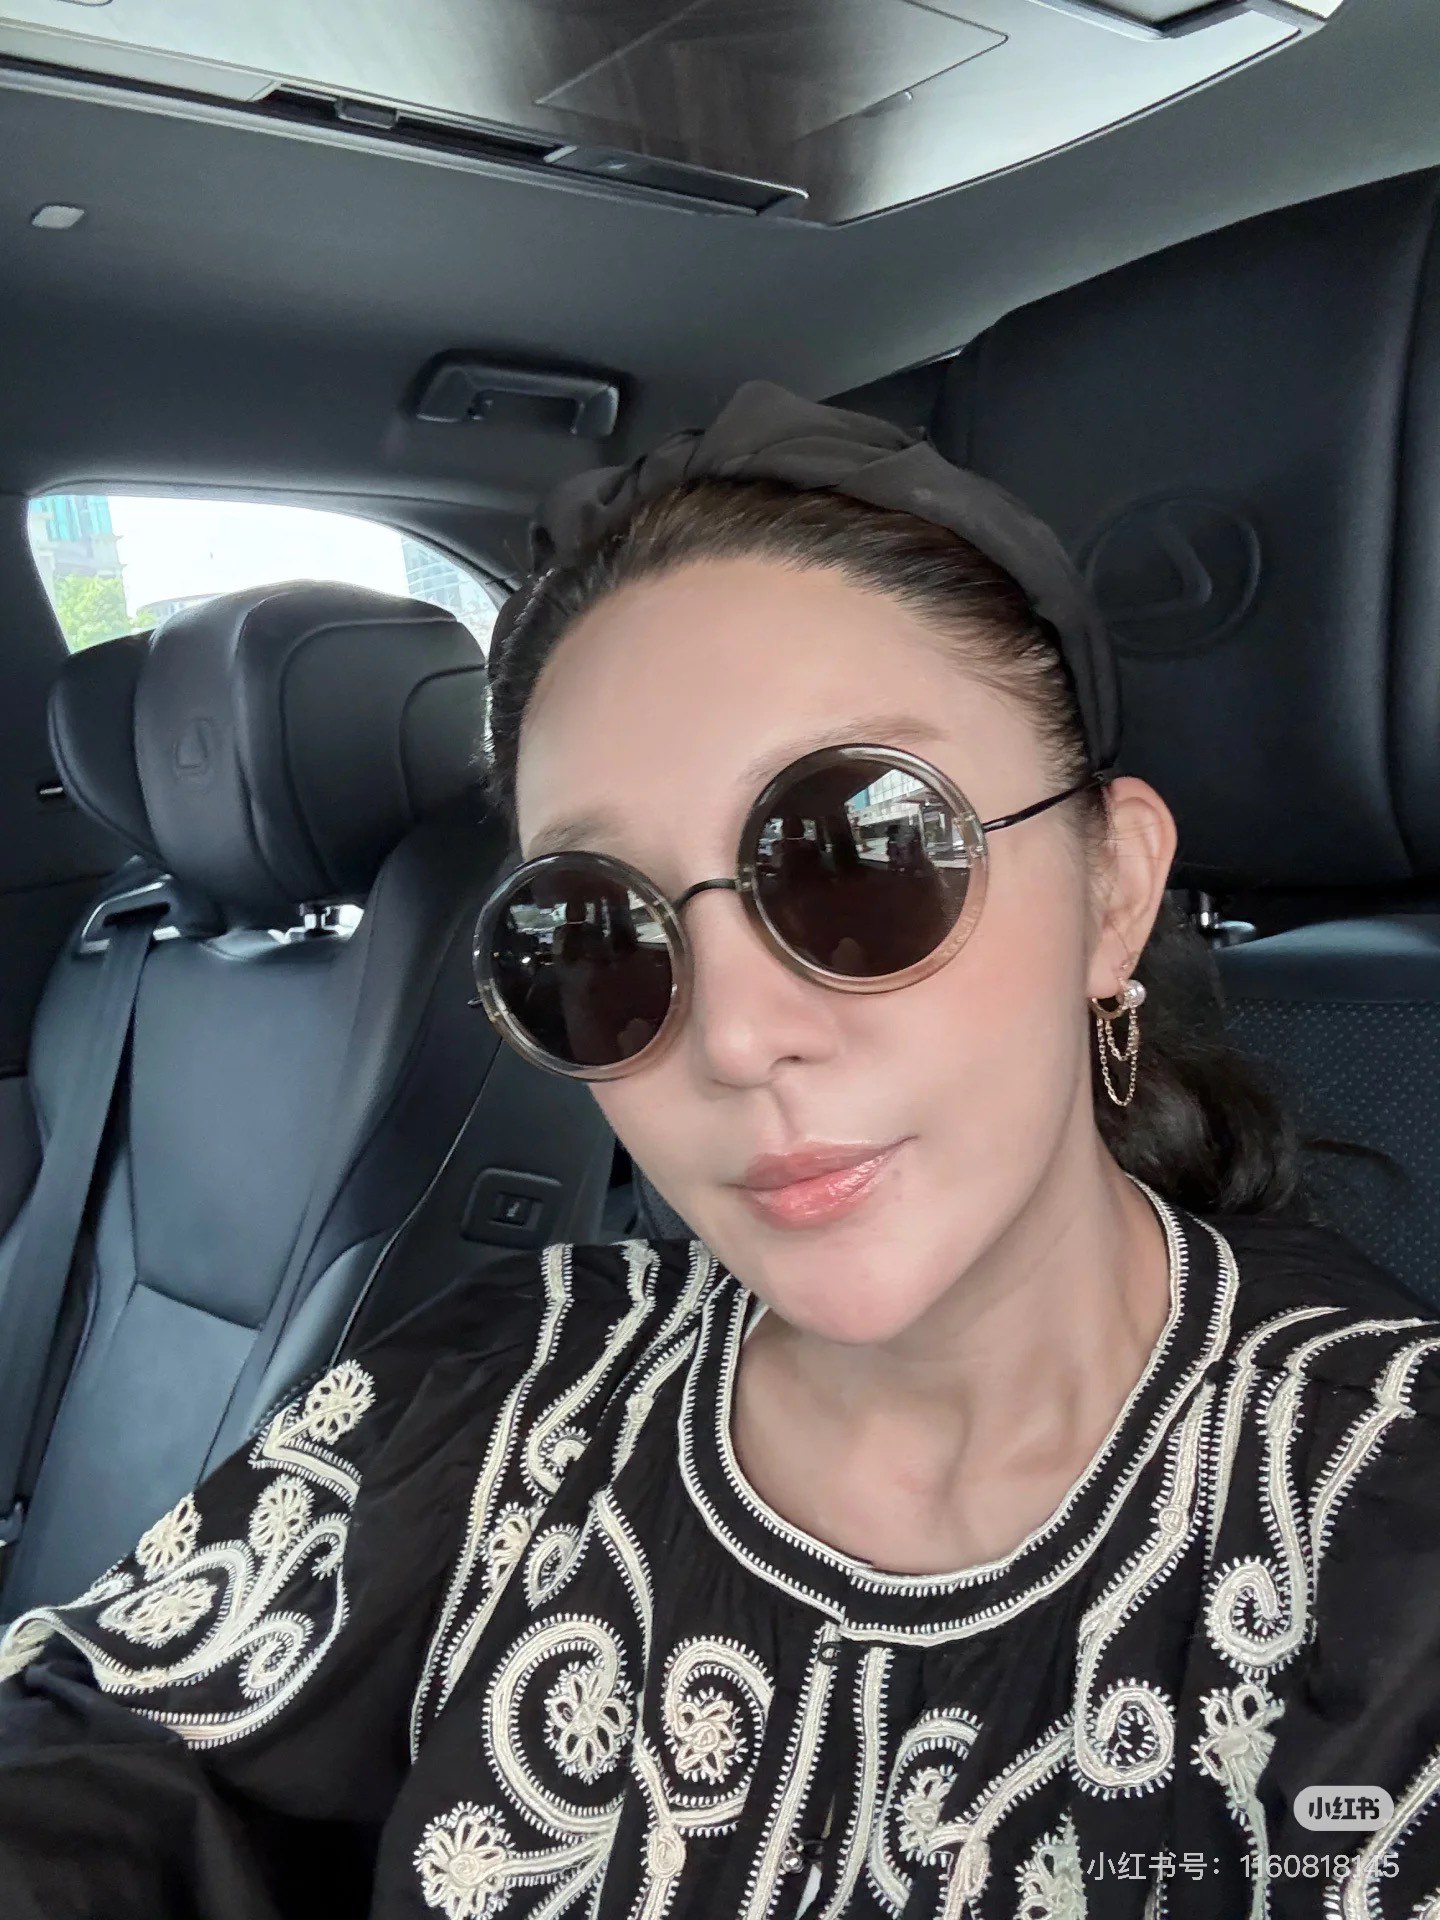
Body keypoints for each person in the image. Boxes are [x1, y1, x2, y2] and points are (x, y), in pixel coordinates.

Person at [1, 382, 1437, 1920]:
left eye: (863, 857)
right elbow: (106, 1762)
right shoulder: (497, 1392)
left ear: (1114, 891)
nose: (734, 1037)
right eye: (592, 931)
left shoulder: (1382, 1523)